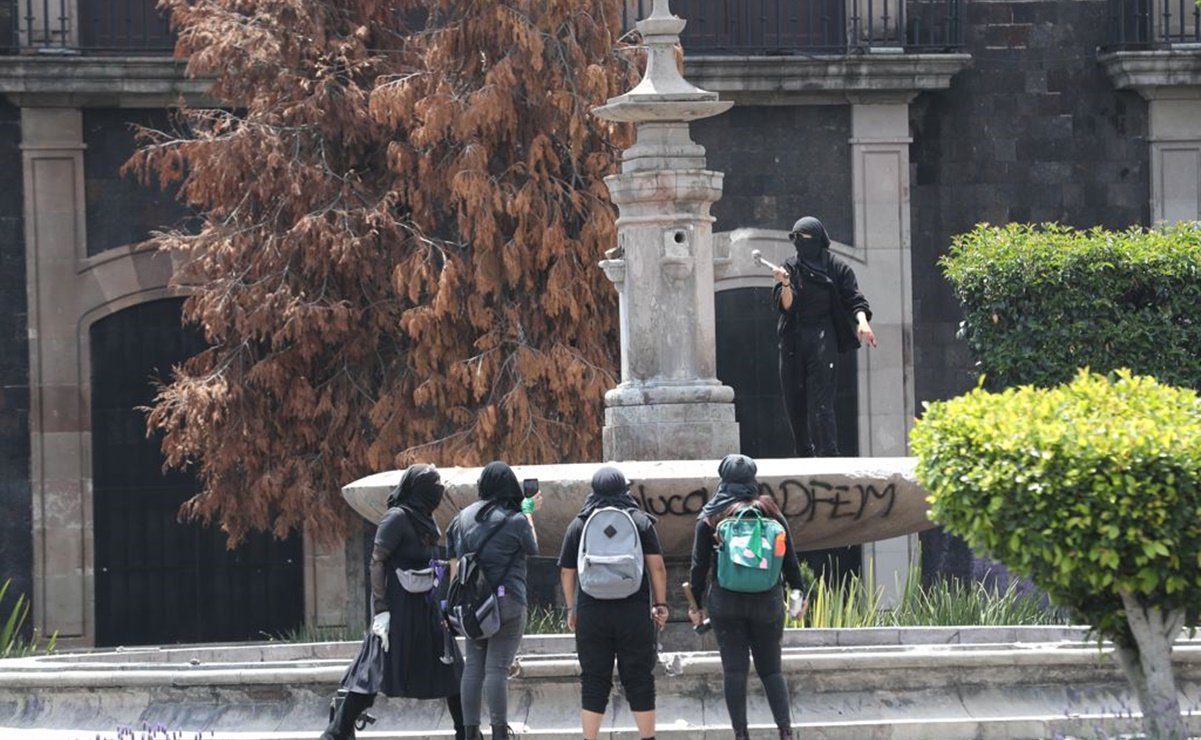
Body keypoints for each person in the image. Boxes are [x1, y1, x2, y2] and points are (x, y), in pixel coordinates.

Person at [322, 463, 465, 740]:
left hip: (425, 608)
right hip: (397, 610)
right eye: (432, 483)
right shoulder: (396, 518)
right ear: (418, 488)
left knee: (451, 668)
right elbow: (377, 561)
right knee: (374, 670)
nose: (438, 489)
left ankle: (466, 731)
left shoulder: (426, 518)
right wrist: (381, 611)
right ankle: (337, 732)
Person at [688, 454, 807, 740]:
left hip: (725, 602)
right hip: (767, 602)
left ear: (723, 478)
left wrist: (696, 606)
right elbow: (791, 562)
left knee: (734, 671)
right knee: (771, 670)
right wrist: (797, 598)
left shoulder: (711, 517)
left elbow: (698, 566)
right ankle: (785, 732)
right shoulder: (771, 512)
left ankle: (741, 734)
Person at [558, 466, 668, 740]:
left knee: (594, 679)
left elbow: (566, 572)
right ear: (624, 490)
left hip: (592, 612)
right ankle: (647, 738)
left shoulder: (579, 524)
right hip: (634, 611)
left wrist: (572, 608)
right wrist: (661, 604)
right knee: (640, 677)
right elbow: (657, 568)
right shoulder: (641, 521)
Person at [446, 461, 541, 740]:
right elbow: (533, 547)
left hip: (472, 607)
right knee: (497, 668)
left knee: (473, 666)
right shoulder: (515, 519)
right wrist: (528, 513)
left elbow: (455, 566)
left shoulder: (459, 519)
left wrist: (456, 606)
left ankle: (470, 732)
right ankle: (500, 731)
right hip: (508, 601)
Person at [773, 216, 876, 457]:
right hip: (793, 340)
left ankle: (829, 454)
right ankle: (803, 453)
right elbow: (786, 306)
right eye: (795, 238)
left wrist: (862, 323)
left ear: (818, 239)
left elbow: (855, 299)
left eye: (804, 238)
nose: (799, 244)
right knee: (794, 400)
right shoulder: (790, 266)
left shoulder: (836, 267)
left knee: (822, 403)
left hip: (823, 337)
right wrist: (786, 284)